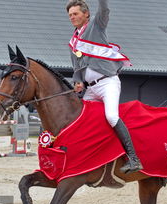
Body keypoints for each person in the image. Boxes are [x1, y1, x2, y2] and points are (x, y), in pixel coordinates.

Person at [66, 0, 142, 173]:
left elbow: (104, 9)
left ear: (86, 14)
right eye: (70, 15)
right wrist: (77, 82)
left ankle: (134, 158)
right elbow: (76, 68)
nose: (72, 17)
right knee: (81, 118)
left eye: (75, 13)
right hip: (91, 88)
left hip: (107, 83)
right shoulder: (73, 41)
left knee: (111, 117)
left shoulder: (96, 25)